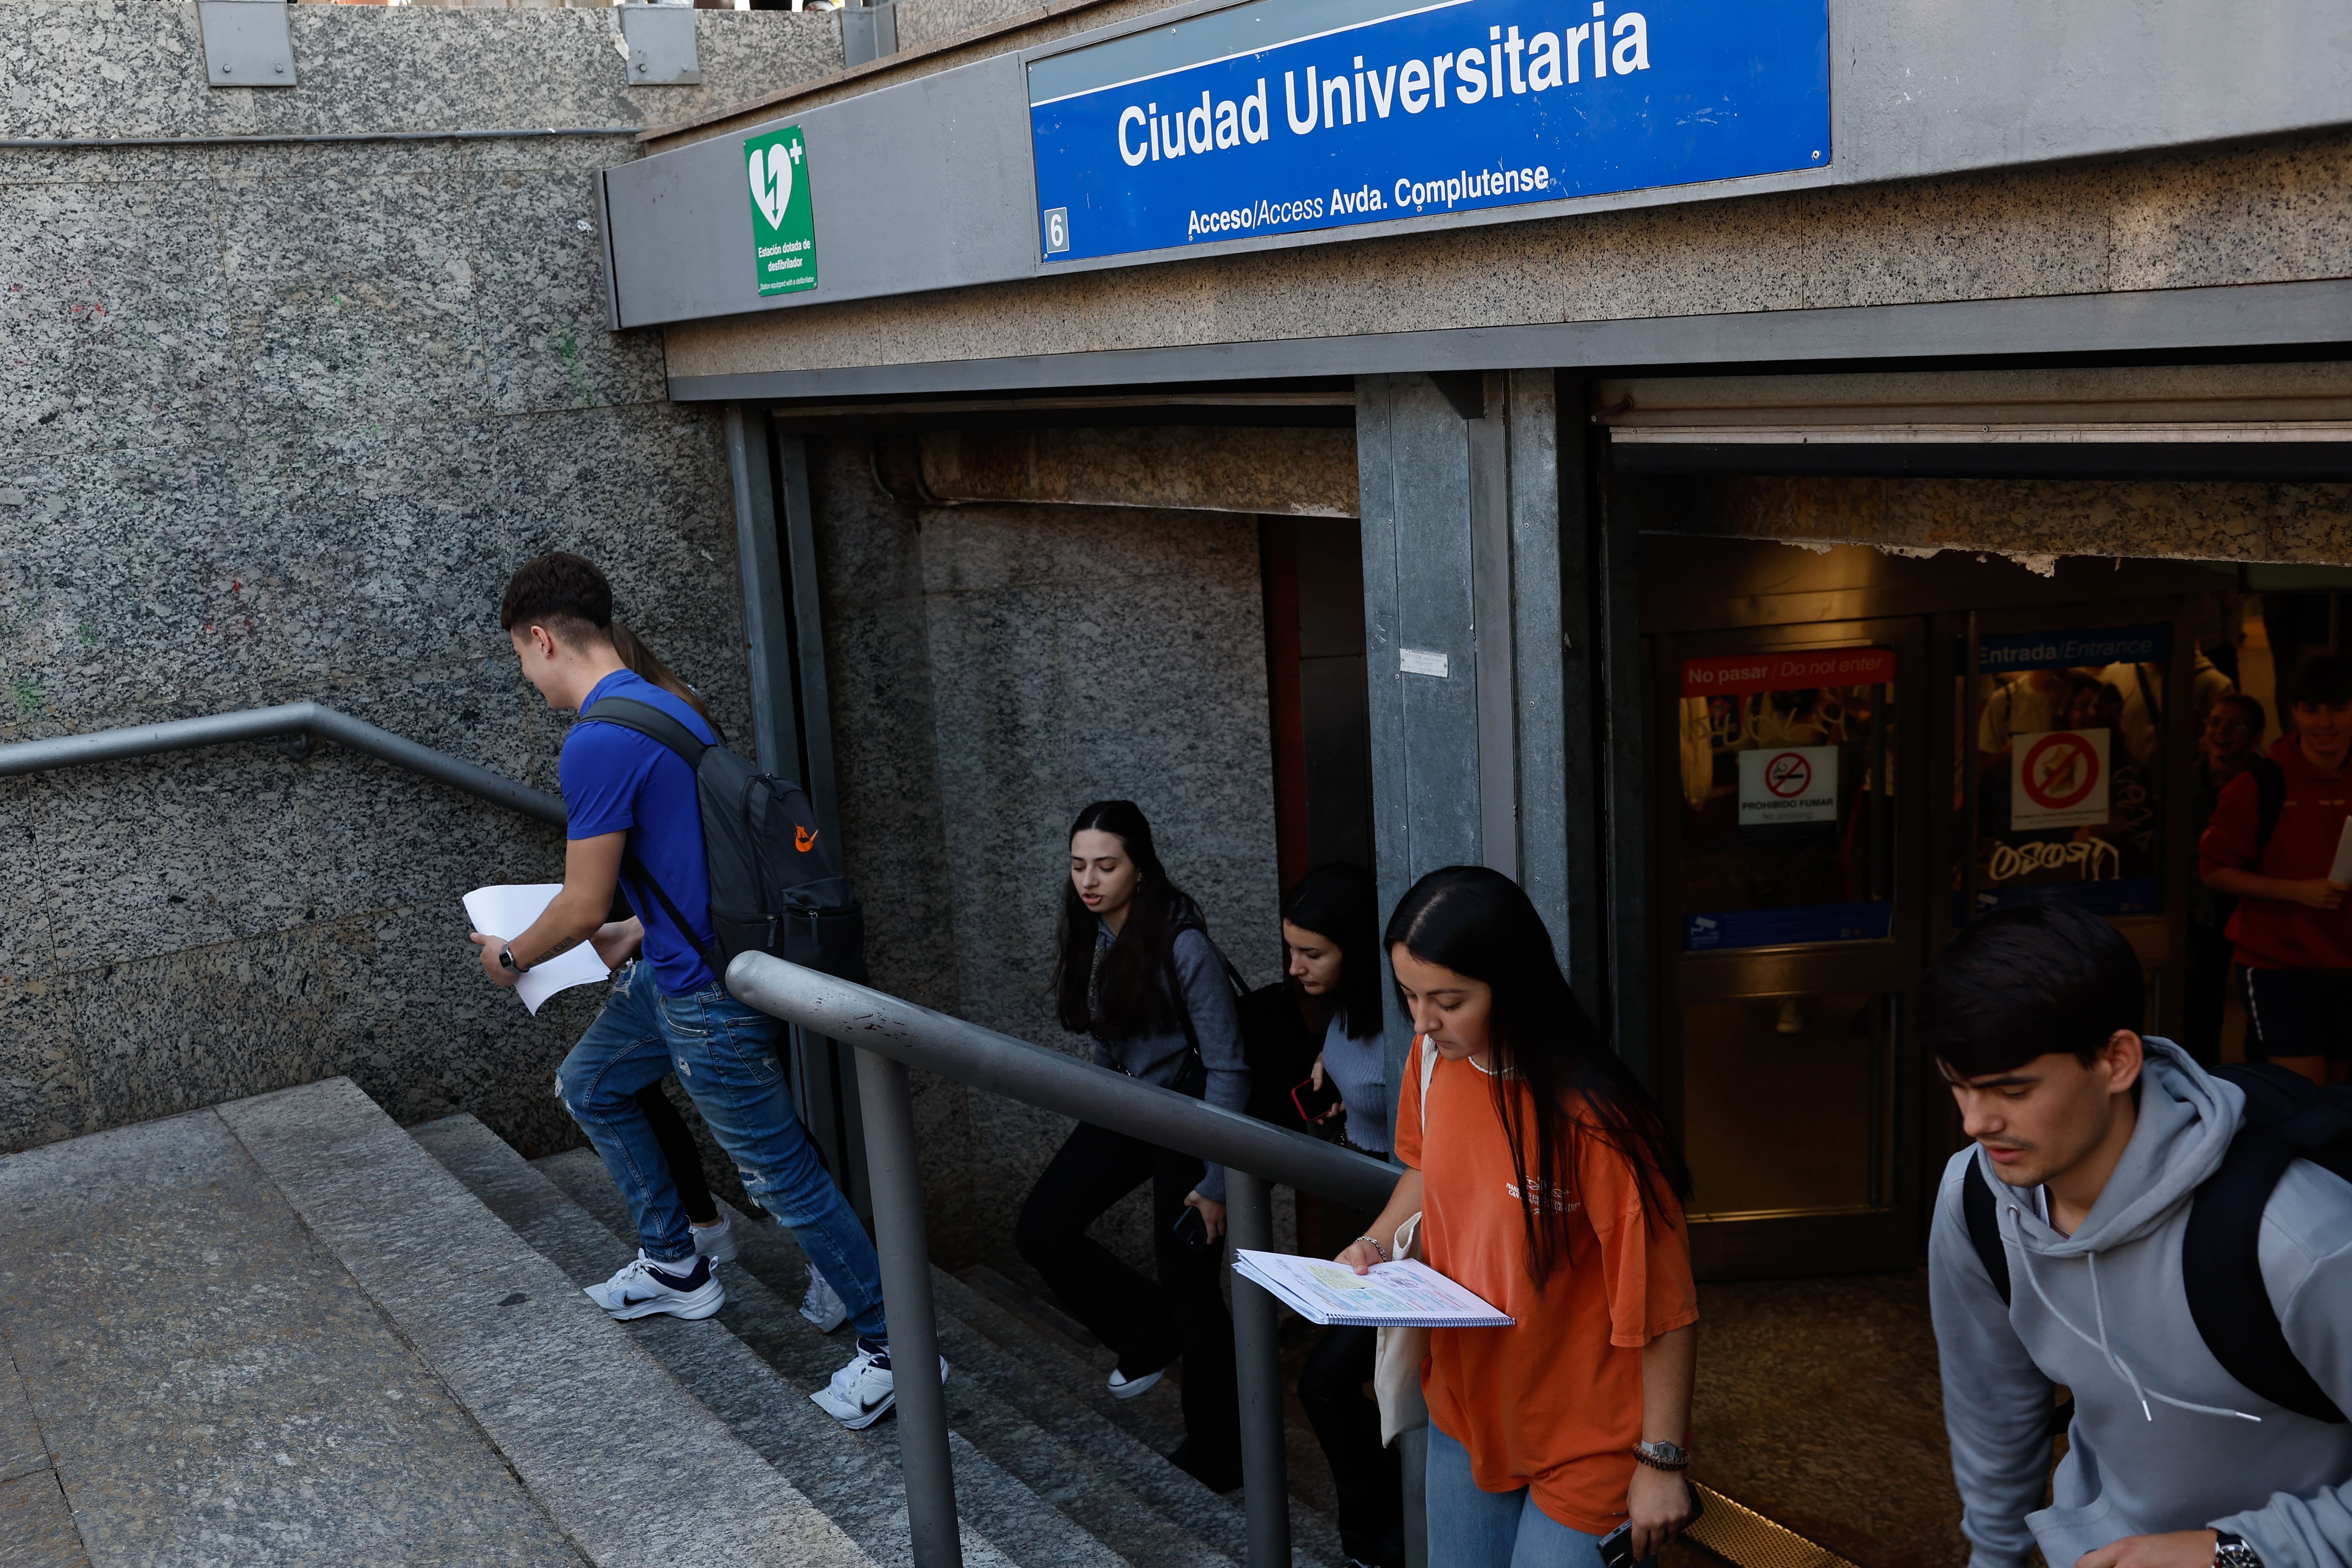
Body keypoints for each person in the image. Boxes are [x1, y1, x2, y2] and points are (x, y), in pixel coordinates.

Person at [471, 553, 928, 1428]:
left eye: (522, 660)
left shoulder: (599, 739)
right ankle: (677, 1265)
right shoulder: (664, 701)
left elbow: (578, 902)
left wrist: (512, 959)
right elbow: (685, 858)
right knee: (592, 1083)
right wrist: (634, 930)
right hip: (673, 964)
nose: (528, 678)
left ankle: (896, 1348)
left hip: (704, 998)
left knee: (783, 1177)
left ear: (540, 638)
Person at [1923, 899, 2352, 1568]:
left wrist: (2232, 1553)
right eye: (1959, 1086)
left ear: (2117, 1060)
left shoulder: (2299, 1236)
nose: (1977, 1122)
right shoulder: (1976, 1197)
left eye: (2013, 1089)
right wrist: (1994, 1557)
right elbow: (1994, 1411)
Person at [1341, 867, 1698, 1568]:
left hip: (1588, 1440)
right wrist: (1375, 1241)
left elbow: (1663, 1308)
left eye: (1447, 999)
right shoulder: (1434, 1061)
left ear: (1514, 985)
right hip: (1465, 1409)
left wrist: (1662, 1462)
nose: (1422, 1021)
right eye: (1409, 996)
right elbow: (1423, 1165)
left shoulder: (1596, 1124)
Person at [1014, 800, 1248, 1492]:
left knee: (1192, 1289)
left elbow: (1230, 1065)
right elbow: (1109, 1036)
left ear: (1140, 870)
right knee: (1042, 1229)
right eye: (1079, 864)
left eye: (1106, 866)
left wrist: (1216, 1181)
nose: (1089, 880)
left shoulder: (1184, 946)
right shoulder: (1097, 932)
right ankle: (1148, 1329)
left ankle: (1222, 1453)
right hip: (1131, 1105)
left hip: (1190, 1117)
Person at [1282, 863, 1403, 1568]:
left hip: (1406, 1229)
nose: (1294, 967)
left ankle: (1378, 1538)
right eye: (1291, 949)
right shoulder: (1344, 1007)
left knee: (1325, 1382)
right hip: (1360, 1212)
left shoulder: (1407, 1019)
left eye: (1312, 953)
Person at [2198, 655, 2352, 1086]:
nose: (2325, 722)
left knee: (2341, 1096)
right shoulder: (2260, 784)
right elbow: (2213, 870)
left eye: (2338, 708)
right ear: (2294, 713)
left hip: (2345, 963)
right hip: (2279, 964)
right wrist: (2297, 891)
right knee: (2304, 1095)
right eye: (2311, 709)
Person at [2183, 693, 2264, 1066]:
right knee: (2200, 1003)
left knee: (2260, 1005)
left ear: (2254, 736)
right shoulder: (2185, 781)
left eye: (2236, 725)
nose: (2222, 732)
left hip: (2255, 902)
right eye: (2215, 722)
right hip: (2199, 908)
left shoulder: (2268, 782)